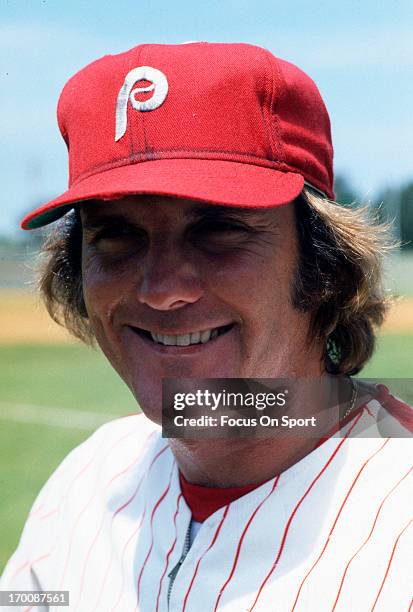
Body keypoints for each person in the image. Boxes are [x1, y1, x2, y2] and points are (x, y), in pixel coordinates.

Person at [1, 42, 412, 611]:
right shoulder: (86, 480)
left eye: (219, 227)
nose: (162, 288)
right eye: (117, 233)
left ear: (325, 264)